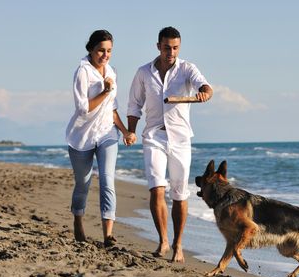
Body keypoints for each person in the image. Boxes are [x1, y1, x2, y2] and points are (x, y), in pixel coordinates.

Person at [127, 26, 213, 262]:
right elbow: (134, 105)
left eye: (175, 48)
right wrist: (131, 132)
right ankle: (163, 240)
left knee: (179, 193)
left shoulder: (187, 69)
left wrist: (205, 91)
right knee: (156, 188)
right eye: (167, 47)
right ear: (158, 46)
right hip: (154, 136)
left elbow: (204, 86)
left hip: (181, 138)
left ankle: (178, 244)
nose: (171, 52)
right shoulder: (144, 72)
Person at [65, 30, 135, 247]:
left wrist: (125, 131)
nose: (105, 55)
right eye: (101, 51)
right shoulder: (82, 72)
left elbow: (112, 109)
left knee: (107, 179)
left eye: (109, 51)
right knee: (83, 184)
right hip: (82, 137)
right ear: (91, 49)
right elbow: (84, 109)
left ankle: (108, 236)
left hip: (107, 134)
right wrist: (105, 91)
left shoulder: (112, 71)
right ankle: (78, 219)